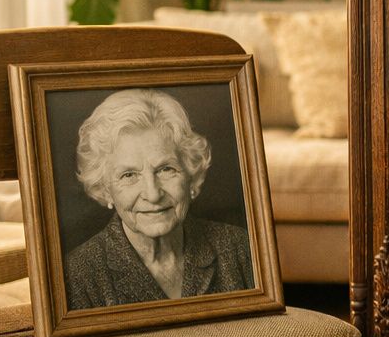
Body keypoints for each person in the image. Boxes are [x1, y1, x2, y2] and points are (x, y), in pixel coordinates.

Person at [64, 88, 254, 310]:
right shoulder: (78, 277)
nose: (153, 194)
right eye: (129, 175)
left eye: (166, 169)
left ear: (191, 177)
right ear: (106, 190)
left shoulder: (239, 248)